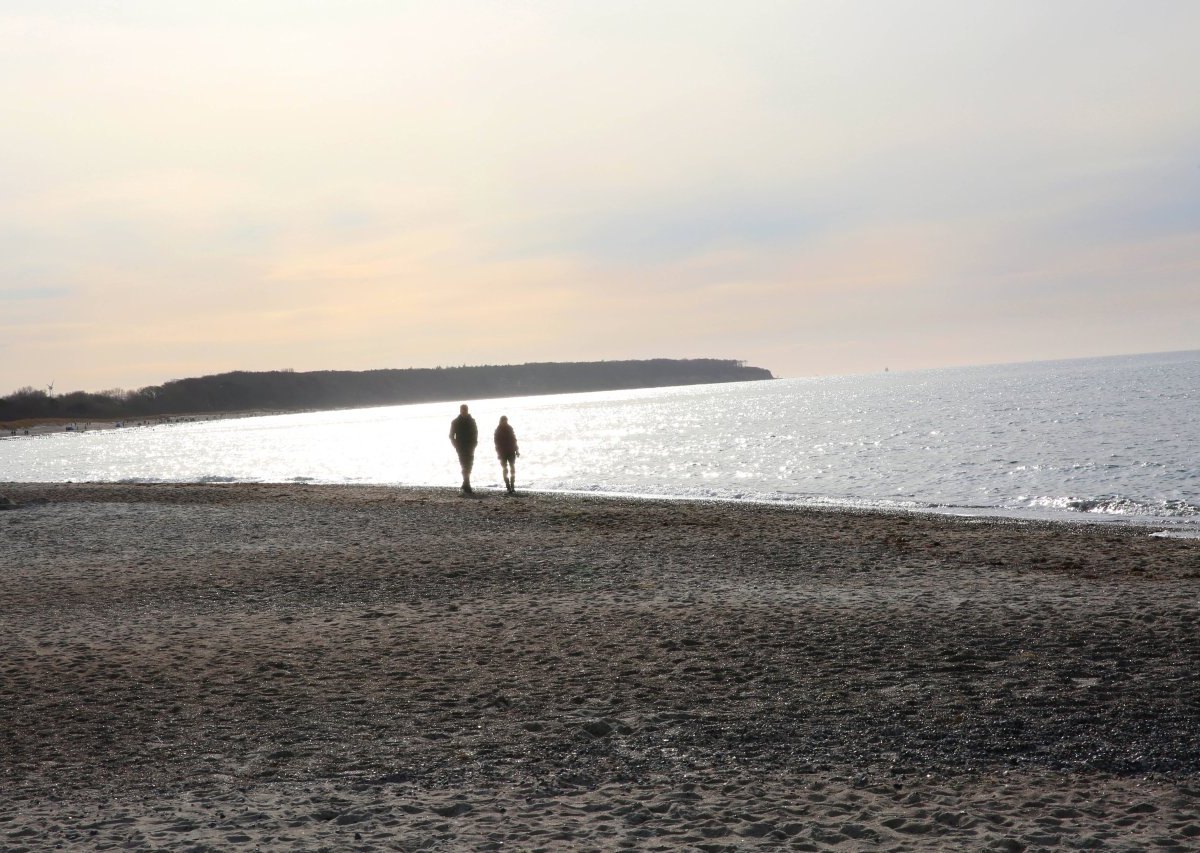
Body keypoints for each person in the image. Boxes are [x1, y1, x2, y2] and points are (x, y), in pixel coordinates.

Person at [448, 404, 478, 494]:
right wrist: (456, 445)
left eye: (465, 410)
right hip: (461, 447)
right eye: (463, 410)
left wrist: (475, 443)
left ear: (467, 410)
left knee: (469, 464)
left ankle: (465, 482)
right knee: (464, 464)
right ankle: (467, 484)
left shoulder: (472, 421)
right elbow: (451, 435)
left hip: (470, 446)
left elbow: (475, 432)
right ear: (460, 411)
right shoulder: (455, 422)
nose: (464, 411)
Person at [493, 415, 520, 494]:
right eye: (503, 421)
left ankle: (512, 486)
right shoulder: (497, 431)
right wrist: (498, 453)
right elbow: (496, 444)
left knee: (512, 469)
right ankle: (508, 486)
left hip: (511, 452)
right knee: (505, 469)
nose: (505, 423)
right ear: (501, 421)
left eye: (506, 421)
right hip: (502, 453)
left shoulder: (510, 428)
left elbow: (514, 440)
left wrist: (517, 450)